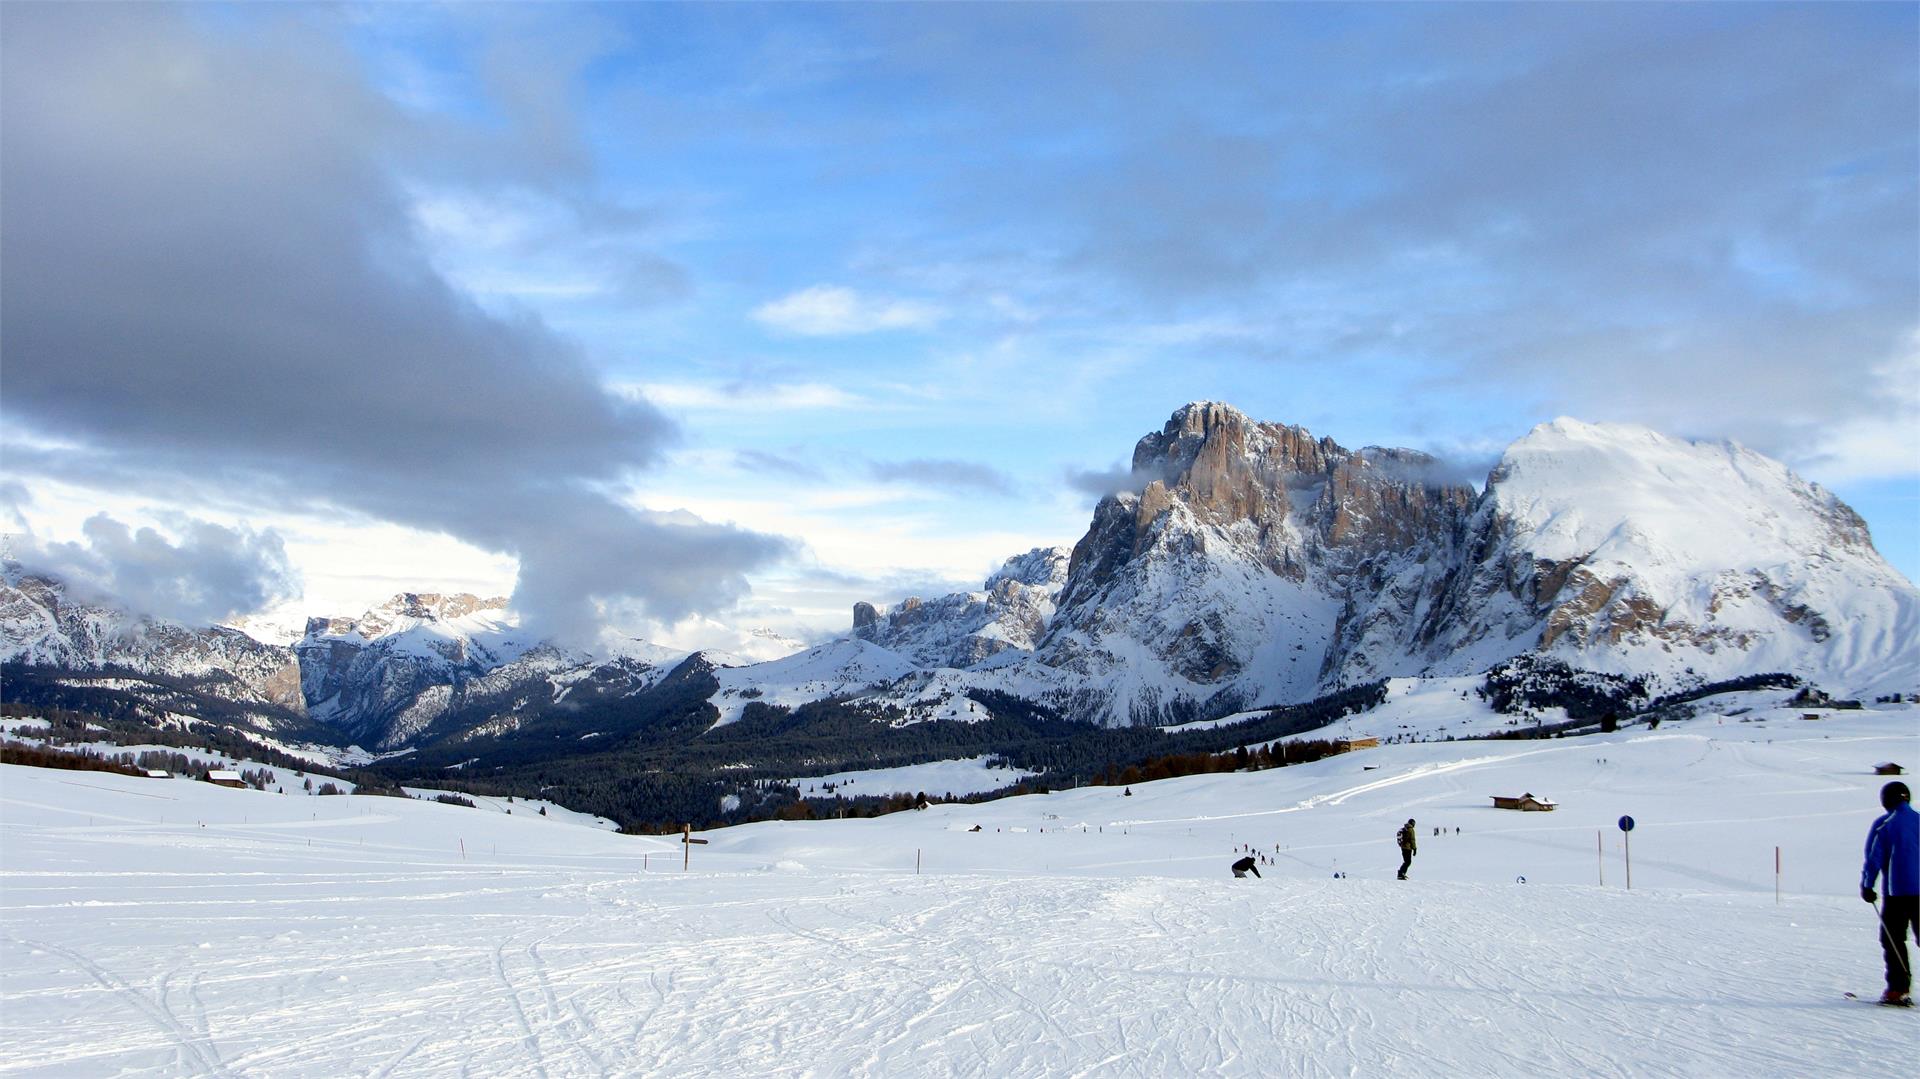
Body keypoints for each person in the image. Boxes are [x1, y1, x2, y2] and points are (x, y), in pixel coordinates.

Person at [1862, 780, 1918, 1006]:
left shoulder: (1884, 825)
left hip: (1898, 894)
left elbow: (1874, 858)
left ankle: (1898, 989)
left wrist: (1867, 886)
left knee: (1893, 939)